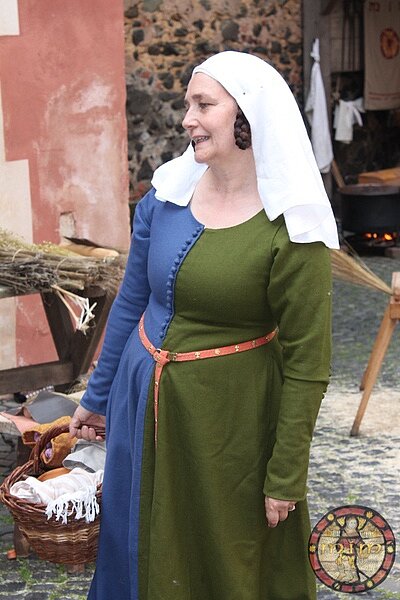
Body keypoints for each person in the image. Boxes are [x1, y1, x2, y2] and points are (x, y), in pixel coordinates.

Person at [70, 50, 339, 600]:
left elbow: (308, 364)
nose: (187, 119)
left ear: (247, 117)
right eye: (188, 104)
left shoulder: (293, 227)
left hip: (229, 425)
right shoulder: (166, 196)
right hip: (140, 405)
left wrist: (286, 474)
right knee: (134, 547)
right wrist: (97, 398)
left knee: (221, 558)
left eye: (203, 105)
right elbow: (131, 302)